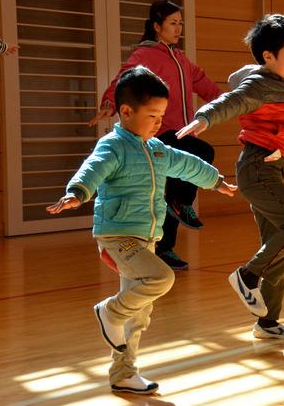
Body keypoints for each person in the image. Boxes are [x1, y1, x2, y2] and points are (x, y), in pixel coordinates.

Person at [47, 66, 236, 394]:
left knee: (139, 314)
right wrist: (77, 192)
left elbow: (187, 164)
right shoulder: (113, 146)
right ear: (126, 111)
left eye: (162, 114)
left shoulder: (157, 149)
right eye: (152, 115)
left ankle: (123, 373)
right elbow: (92, 169)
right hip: (117, 236)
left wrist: (215, 181)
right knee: (161, 279)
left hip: (145, 237)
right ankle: (108, 311)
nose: (159, 121)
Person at [176, 14, 284, 340]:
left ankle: (267, 323)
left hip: (273, 171)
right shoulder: (260, 83)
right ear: (268, 56)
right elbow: (232, 101)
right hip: (259, 170)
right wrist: (205, 118)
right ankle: (247, 276)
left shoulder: (277, 83)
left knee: (279, 246)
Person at [90, 0, 222, 270]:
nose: (178, 28)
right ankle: (178, 205)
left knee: (171, 191)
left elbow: (204, 83)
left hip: (182, 132)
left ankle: (164, 249)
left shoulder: (180, 58)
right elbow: (123, 80)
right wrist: (108, 103)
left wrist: (229, 103)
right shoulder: (144, 55)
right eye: (173, 23)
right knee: (202, 155)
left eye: (180, 23)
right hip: (160, 132)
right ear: (157, 26)